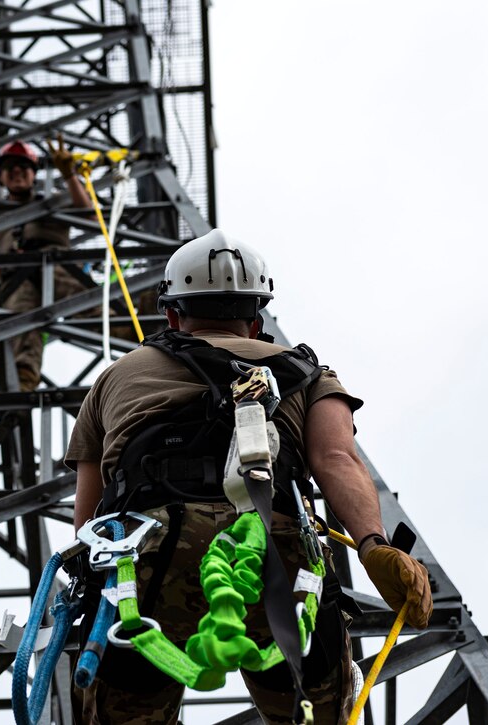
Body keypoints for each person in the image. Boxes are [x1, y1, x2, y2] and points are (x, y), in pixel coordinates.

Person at [65, 230, 433, 724]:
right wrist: (373, 546)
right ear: (256, 319)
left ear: (173, 315)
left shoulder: (115, 377)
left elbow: (88, 519)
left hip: (146, 559)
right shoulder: (307, 374)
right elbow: (337, 460)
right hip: (277, 555)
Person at [0, 136, 95, 391]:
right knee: (20, 323)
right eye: (10, 168)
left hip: (55, 263)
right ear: (0, 177)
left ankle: (129, 330)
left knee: (88, 305)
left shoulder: (51, 203)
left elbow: (89, 217)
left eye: (23, 167)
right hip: (16, 279)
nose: (17, 172)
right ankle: (22, 383)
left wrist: (69, 175)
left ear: (34, 174)